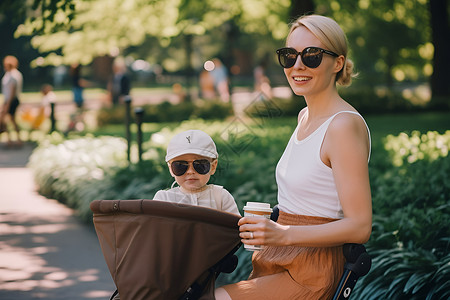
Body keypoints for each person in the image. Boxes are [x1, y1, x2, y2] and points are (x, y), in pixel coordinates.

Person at [215, 14, 372, 300]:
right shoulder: (304, 116)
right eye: (289, 56)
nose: (297, 65)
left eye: (311, 56)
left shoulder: (343, 126)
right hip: (277, 256)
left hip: (312, 271)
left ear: (337, 63)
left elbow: (360, 226)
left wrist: (284, 233)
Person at [154, 129, 240, 216]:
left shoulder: (221, 197)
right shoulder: (164, 199)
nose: (190, 171)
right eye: (180, 166)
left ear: (213, 167)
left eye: (200, 165)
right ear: (171, 169)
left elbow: (235, 227)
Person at [0, 55, 23, 146]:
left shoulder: (14, 75)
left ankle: (16, 139)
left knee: (11, 120)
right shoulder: (9, 74)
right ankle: (10, 139)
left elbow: (12, 91)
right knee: (8, 120)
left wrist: (7, 104)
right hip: (7, 100)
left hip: (11, 100)